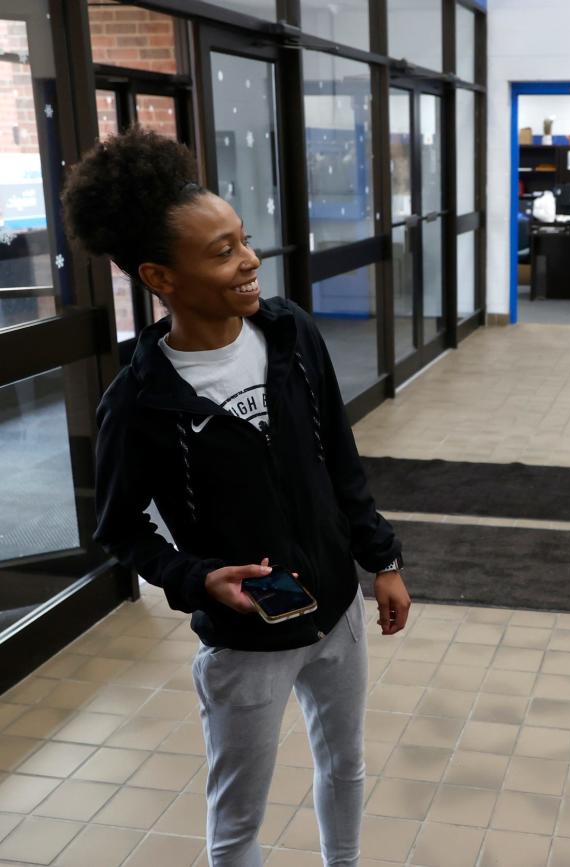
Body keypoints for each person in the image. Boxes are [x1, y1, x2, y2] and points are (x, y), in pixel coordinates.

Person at [62, 127, 412, 867]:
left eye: (243, 239)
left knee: (343, 763)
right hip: (247, 641)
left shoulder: (288, 334)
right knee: (237, 824)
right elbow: (120, 530)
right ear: (161, 276)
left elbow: (339, 461)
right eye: (221, 252)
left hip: (337, 611)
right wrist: (197, 579)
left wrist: (381, 560)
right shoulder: (140, 401)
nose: (249, 259)